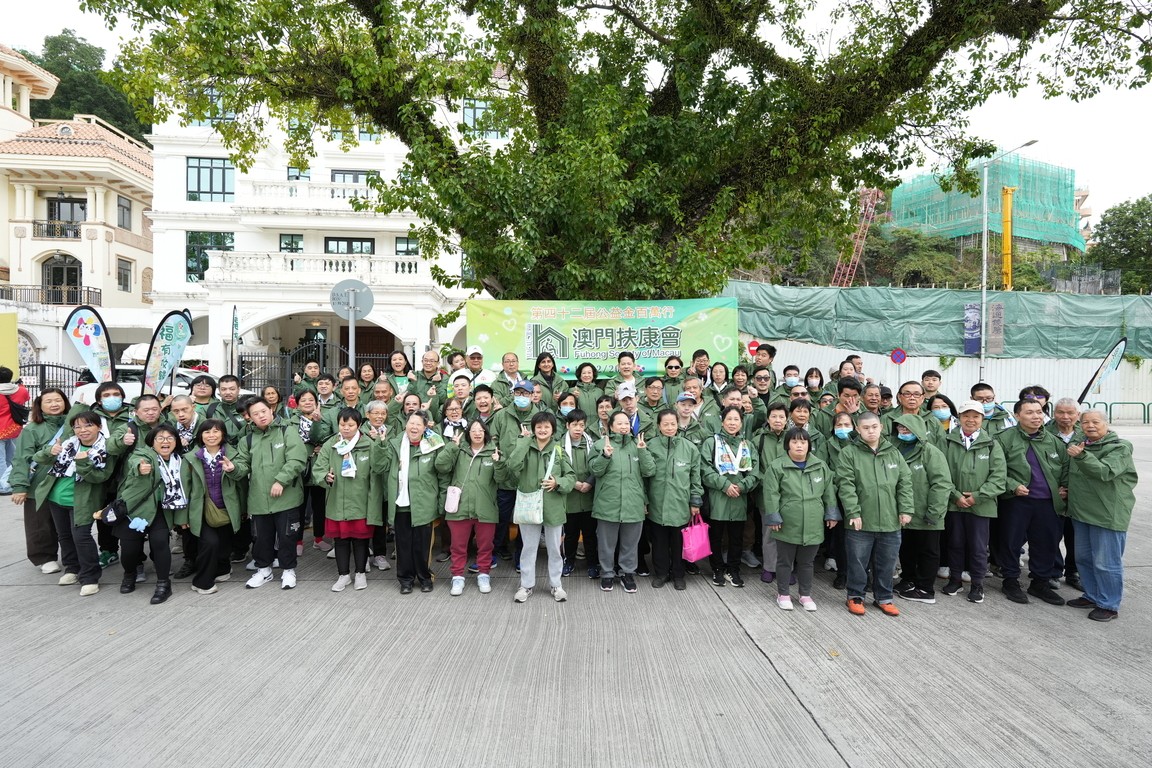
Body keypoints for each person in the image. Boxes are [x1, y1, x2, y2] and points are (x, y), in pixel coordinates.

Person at [835, 411, 913, 616]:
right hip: (861, 520)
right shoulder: (849, 453)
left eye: (874, 427)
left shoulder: (893, 452)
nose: (871, 431)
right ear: (858, 430)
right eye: (866, 428)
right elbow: (846, 485)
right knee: (857, 562)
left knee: (887, 563)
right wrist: (853, 512)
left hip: (890, 519)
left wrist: (905, 509)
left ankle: (884, 597)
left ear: (881, 428)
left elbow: (905, 482)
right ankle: (855, 596)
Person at [994, 398, 1070, 606]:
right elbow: (996, 470)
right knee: (1011, 542)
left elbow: (1065, 467)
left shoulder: (1054, 441)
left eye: (1039, 412)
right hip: (1016, 501)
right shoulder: (1003, 439)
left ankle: (1040, 583)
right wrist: (1012, 485)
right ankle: (1010, 581)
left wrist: (1064, 488)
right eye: (1029, 412)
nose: (1036, 416)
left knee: (1046, 543)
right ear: (1017, 416)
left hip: (1048, 503)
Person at [229, 399, 309, 590]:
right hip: (259, 499)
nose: (261, 416)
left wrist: (281, 480)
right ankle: (264, 570)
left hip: (287, 497)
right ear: (249, 417)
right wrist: (233, 468)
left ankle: (288, 570)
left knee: (287, 536)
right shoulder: (247, 440)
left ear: (271, 410)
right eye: (255, 414)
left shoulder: (287, 431)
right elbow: (243, 465)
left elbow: (297, 459)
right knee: (261, 538)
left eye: (263, 411)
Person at [1065, 410, 1136, 622]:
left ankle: (1109, 604)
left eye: (1095, 422)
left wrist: (1082, 456)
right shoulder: (1081, 444)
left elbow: (1104, 472)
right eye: (1085, 422)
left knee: (1106, 562)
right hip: (1081, 512)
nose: (1090, 426)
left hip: (1107, 513)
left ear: (1106, 423)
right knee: (1084, 558)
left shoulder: (1120, 447)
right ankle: (1092, 595)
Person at [35, 411, 115, 596]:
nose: (82, 430)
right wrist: (49, 451)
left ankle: (90, 577)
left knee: (81, 536)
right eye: (77, 426)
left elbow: (100, 477)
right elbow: (39, 458)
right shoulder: (67, 443)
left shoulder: (106, 448)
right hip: (56, 497)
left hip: (82, 500)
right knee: (64, 535)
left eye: (88, 425)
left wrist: (83, 461)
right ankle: (72, 568)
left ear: (99, 427)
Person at [938, 400, 1007, 604]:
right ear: (959, 418)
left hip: (981, 505)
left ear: (982, 419)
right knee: (955, 543)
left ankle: (977, 584)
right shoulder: (947, 441)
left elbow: (998, 477)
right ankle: (955, 579)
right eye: (966, 415)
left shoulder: (992, 444)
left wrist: (977, 496)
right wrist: (955, 495)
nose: (970, 420)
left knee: (978, 547)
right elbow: (940, 473)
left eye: (975, 416)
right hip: (954, 504)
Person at [501, 412, 575, 602]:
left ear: (553, 429)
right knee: (528, 548)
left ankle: (556, 585)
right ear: (533, 429)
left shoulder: (559, 450)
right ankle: (526, 585)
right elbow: (512, 466)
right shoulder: (525, 446)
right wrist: (523, 442)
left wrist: (557, 482)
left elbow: (571, 477)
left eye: (546, 426)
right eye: (539, 426)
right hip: (529, 505)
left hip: (553, 506)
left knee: (555, 549)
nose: (542, 430)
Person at [763, 428, 839, 611]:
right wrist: (773, 517)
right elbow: (771, 493)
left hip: (813, 522)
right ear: (787, 444)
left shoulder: (820, 466)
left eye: (803, 442)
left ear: (809, 445)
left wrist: (831, 513)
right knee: (784, 561)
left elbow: (829, 491)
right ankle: (783, 594)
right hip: (787, 521)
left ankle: (805, 595)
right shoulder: (777, 466)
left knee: (807, 562)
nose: (799, 445)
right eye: (795, 442)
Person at [313, 408, 388, 592]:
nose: (346, 428)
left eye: (351, 425)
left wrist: (381, 444)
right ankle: (343, 575)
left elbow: (379, 468)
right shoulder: (331, 443)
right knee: (340, 540)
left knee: (360, 540)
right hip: (337, 500)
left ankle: (360, 573)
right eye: (342, 424)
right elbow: (319, 468)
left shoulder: (368, 444)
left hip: (361, 501)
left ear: (359, 425)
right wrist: (325, 477)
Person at [115, 423, 186, 604]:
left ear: (176, 441)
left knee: (160, 543)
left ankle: (164, 584)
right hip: (136, 509)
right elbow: (135, 462)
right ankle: (129, 574)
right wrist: (140, 468)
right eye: (160, 438)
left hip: (162, 510)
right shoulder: (143, 454)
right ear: (152, 441)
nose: (165, 441)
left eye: (170, 438)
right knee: (129, 550)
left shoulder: (180, 460)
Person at [590, 411, 656, 592]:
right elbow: (595, 471)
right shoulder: (600, 444)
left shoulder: (638, 444)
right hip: (607, 502)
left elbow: (649, 471)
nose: (624, 426)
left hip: (633, 502)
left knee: (630, 543)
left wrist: (642, 452)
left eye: (626, 423)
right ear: (611, 426)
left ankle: (627, 573)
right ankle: (607, 573)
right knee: (606, 543)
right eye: (619, 423)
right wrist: (605, 455)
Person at [890, 414, 953, 604]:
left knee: (928, 551)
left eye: (907, 428)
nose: (903, 431)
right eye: (900, 428)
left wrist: (934, 512)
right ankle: (908, 580)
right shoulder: (895, 449)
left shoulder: (931, 452)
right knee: (907, 549)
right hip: (904, 512)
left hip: (927, 512)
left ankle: (925, 589)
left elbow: (941, 484)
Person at [436, 420, 502, 594]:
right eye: (473, 430)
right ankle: (457, 577)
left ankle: (484, 574)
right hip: (460, 507)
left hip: (485, 508)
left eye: (481, 430)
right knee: (458, 546)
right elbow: (440, 466)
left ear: (486, 433)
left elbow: (503, 479)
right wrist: (452, 447)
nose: (477, 433)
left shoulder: (494, 452)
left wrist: (499, 463)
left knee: (485, 545)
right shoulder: (459, 450)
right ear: (468, 433)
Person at [383, 410, 446, 593]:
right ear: (406, 425)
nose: (414, 427)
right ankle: (405, 580)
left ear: (425, 427)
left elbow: (442, 475)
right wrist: (381, 444)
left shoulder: (433, 445)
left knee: (423, 545)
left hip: (424, 503)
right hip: (401, 504)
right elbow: (380, 466)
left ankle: (425, 578)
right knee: (403, 545)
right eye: (411, 423)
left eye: (419, 424)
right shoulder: (394, 444)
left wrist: (441, 503)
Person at [10, 388, 70, 573]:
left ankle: (72, 557)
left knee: (67, 524)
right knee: (40, 522)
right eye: (48, 401)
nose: (54, 404)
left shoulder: (73, 424)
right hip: (39, 483)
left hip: (65, 482)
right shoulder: (32, 429)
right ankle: (44, 557)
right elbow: (22, 458)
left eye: (58, 400)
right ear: (40, 406)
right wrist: (20, 486)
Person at [701, 405, 760, 588]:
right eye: (729, 419)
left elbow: (755, 472)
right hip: (718, 498)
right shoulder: (712, 443)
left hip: (739, 498)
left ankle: (733, 569)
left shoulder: (747, 445)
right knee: (716, 537)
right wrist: (724, 485)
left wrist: (741, 486)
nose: (732, 423)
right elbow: (705, 469)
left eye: (736, 419)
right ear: (722, 422)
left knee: (736, 538)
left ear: (741, 423)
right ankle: (717, 569)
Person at [182, 419, 242, 595]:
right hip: (200, 510)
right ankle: (202, 582)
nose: (211, 435)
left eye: (216, 431)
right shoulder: (191, 458)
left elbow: (242, 485)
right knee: (210, 543)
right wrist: (182, 517)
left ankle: (222, 570)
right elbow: (184, 489)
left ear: (223, 434)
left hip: (227, 508)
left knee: (224, 543)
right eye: (207, 432)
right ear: (200, 435)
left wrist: (244, 509)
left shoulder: (234, 455)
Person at [647, 410, 702, 590]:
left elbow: (695, 477)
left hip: (680, 503)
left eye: (673, 424)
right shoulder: (650, 446)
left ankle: (679, 574)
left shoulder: (689, 448)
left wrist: (695, 501)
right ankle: (661, 573)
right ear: (658, 426)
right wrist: (645, 501)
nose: (669, 427)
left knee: (679, 543)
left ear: (678, 424)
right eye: (665, 424)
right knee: (659, 542)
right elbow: (644, 476)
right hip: (657, 503)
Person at [1046, 397, 1084, 590]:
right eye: (1061, 412)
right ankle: (1053, 571)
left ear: (1078, 414)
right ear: (1054, 413)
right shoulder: (1044, 432)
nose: (1065, 417)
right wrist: (1055, 489)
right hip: (1052, 494)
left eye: (1070, 413)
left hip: (1078, 495)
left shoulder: (1087, 433)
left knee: (1075, 537)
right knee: (1051, 536)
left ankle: (1073, 571)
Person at [291, 390, 330, 554]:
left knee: (319, 506)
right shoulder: (291, 421)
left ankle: (319, 538)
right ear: (298, 404)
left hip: (319, 467)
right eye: (303, 400)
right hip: (300, 467)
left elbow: (325, 437)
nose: (307, 402)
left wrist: (317, 423)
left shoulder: (324, 418)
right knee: (298, 505)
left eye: (311, 400)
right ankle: (298, 540)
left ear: (316, 402)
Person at [561, 409, 598, 578]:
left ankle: (592, 564)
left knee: (590, 535)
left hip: (589, 498)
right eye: (574, 425)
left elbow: (598, 466)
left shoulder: (592, 444)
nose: (578, 429)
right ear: (567, 425)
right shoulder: (559, 446)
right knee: (571, 534)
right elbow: (558, 469)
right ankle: (569, 561)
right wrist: (574, 484)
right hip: (570, 499)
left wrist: (589, 482)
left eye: (581, 425)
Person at [0, 366, 32, 496]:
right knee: (12, 458)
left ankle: (3, 486)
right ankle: (11, 482)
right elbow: (26, 398)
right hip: (14, 428)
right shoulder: (21, 390)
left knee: (1, 460)